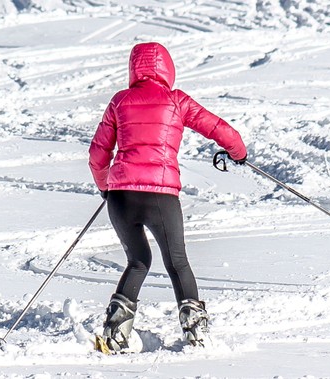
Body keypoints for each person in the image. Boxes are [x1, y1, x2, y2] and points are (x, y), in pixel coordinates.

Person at [88, 42, 247, 352]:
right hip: (160, 196)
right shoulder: (176, 101)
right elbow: (218, 128)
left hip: (121, 197)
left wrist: (106, 186)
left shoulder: (120, 100)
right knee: (177, 263)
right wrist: (238, 153)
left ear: (133, 69)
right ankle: (195, 333)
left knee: (138, 261)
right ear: (168, 69)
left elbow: (97, 154)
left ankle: (114, 334)